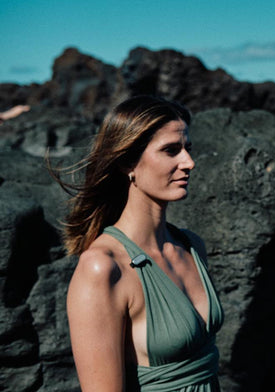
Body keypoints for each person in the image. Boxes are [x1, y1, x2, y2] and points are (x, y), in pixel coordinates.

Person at [60, 96, 224, 391]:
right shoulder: (102, 268)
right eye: (171, 151)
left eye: (188, 149)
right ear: (127, 162)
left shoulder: (191, 246)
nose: (189, 162)